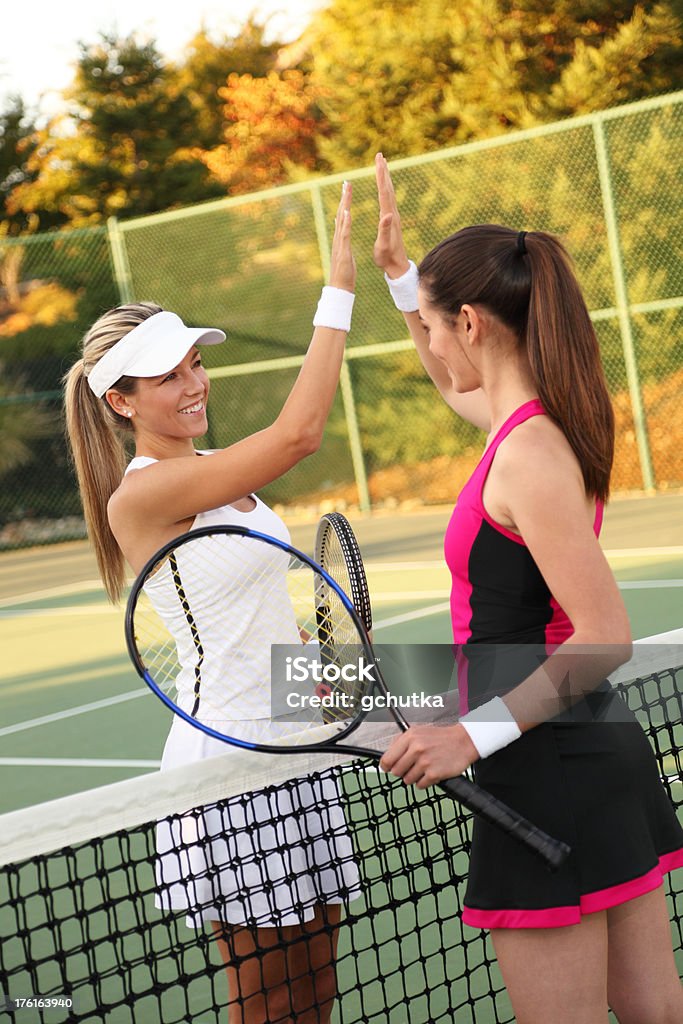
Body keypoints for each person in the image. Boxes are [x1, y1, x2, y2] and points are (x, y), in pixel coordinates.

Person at [372, 153, 683, 1024]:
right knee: (655, 1012)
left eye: (436, 326)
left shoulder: (529, 456)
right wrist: (403, 284)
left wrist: (469, 737)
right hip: (587, 747)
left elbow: (604, 635)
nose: (430, 345)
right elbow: (447, 377)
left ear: (469, 320)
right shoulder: (532, 425)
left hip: (542, 761)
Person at [64, 183, 359, 1024]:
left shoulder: (222, 469)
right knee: (264, 1003)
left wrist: (321, 676)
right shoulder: (143, 498)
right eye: (167, 374)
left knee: (317, 993)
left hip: (296, 743)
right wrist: (338, 287)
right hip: (227, 768)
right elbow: (299, 434)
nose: (194, 381)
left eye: (194, 361)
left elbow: (261, 603)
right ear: (120, 402)